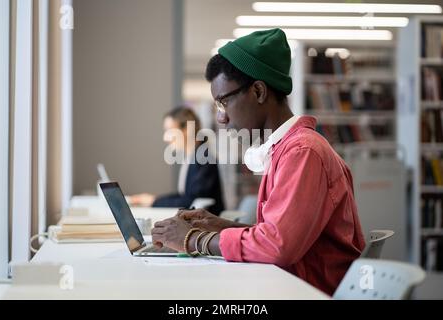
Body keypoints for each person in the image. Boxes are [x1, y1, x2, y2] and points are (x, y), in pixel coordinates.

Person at [151, 28, 365, 295]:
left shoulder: (303, 152)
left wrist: (193, 239)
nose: (221, 118)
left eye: (224, 102)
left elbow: (279, 246)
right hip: (294, 284)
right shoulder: (286, 149)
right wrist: (220, 225)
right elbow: (280, 234)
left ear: (259, 91)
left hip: (308, 291)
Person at [129, 106, 224, 215]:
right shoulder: (192, 157)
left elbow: (192, 201)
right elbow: (185, 196)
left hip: (208, 227)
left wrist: (154, 201)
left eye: (169, 131)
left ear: (187, 129)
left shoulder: (204, 159)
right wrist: (154, 199)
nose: (165, 138)